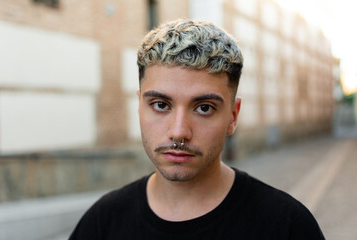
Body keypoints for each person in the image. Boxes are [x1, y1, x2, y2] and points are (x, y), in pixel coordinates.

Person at [69, 19, 325, 240]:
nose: (179, 131)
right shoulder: (102, 224)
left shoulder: (287, 227)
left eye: (203, 108)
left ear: (233, 116)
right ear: (139, 106)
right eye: (160, 105)